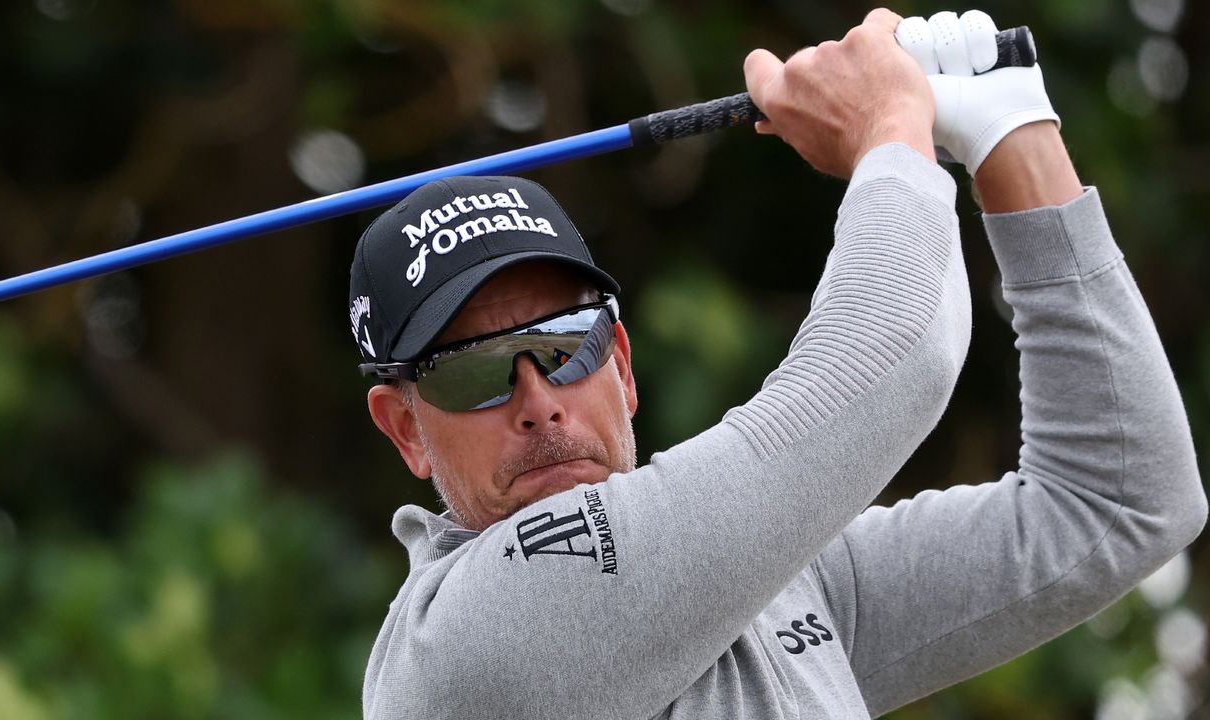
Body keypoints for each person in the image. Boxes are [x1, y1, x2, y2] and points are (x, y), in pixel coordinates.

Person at [350, 8, 1207, 719]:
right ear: (405, 432)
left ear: (623, 365)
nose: (538, 400)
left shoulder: (782, 585)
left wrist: (1011, 134)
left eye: (567, 346)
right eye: (474, 371)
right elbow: (894, 359)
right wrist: (891, 132)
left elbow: (1120, 500)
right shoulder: (460, 650)